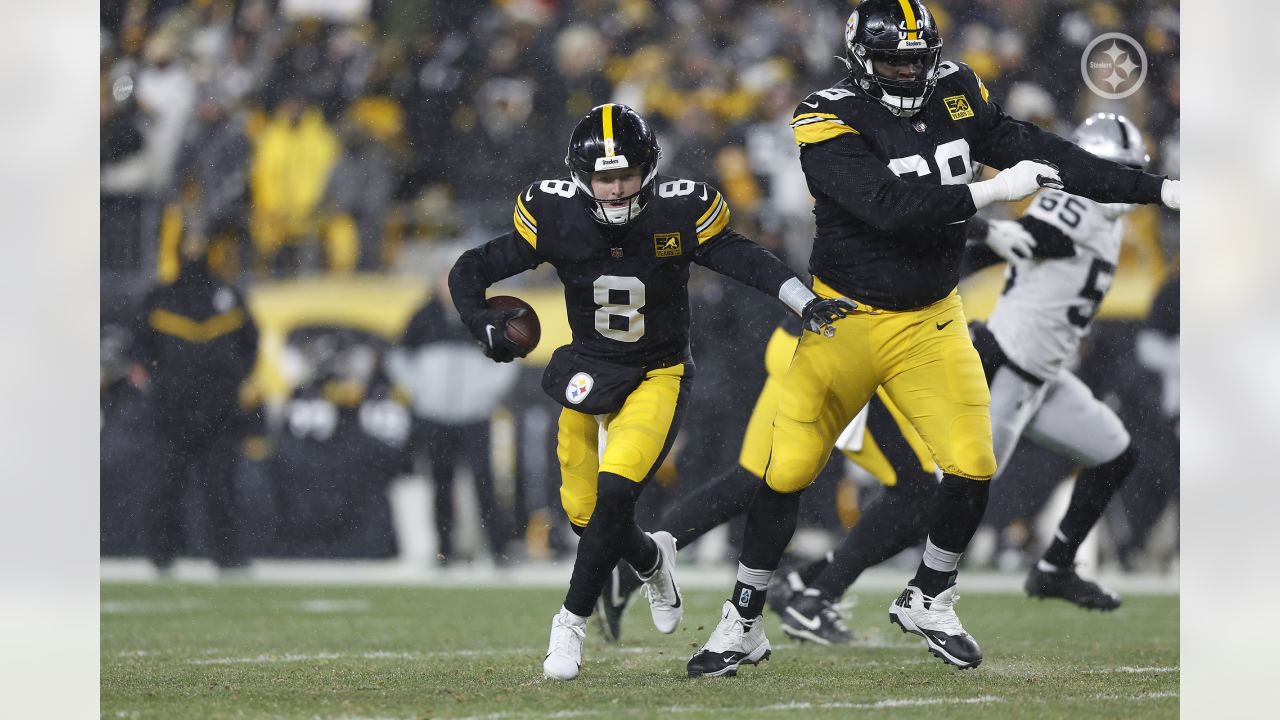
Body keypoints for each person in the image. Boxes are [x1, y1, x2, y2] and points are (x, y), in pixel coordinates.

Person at [687, 0, 1181, 676]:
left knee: (972, 465)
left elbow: (1046, 152)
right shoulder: (825, 114)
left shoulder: (956, 90)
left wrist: (1161, 190)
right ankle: (742, 619)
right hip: (846, 318)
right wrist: (992, 194)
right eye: (891, 59)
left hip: (931, 320)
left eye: (915, 60)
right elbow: (888, 211)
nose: (904, 71)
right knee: (789, 470)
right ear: (861, 57)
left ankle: (931, 595)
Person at [449, 104, 854, 681]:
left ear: (650, 170)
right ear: (578, 177)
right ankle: (652, 558)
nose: (614, 191)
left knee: (616, 496)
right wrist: (477, 321)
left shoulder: (678, 210)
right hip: (589, 370)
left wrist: (803, 298)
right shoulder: (556, 215)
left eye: (625, 175)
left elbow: (743, 258)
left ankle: (569, 624)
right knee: (588, 518)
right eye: (602, 178)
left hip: (656, 373)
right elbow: (471, 266)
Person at [769, 114, 1174, 644]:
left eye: (1128, 170)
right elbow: (1035, 233)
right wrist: (990, 231)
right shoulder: (1073, 202)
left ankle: (1055, 568)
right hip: (1005, 366)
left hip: (1045, 377)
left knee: (1116, 453)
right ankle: (816, 590)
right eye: (1111, 169)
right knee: (937, 504)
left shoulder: (1109, 218)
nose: (1119, 180)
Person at [595, 315, 940, 646]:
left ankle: (627, 573)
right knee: (918, 492)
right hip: (838, 354)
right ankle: (814, 598)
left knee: (750, 481)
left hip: (797, 342)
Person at [132, 237, 259, 574]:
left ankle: (227, 556)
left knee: (221, 487)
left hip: (219, 412)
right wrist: (165, 388)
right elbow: (142, 351)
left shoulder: (229, 297)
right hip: (172, 413)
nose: (192, 255)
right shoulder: (160, 299)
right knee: (165, 486)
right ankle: (163, 556)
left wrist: (230, 384)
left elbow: (251, 347)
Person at [387, 257, 521, 566]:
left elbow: (511, 355)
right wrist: (420, 392)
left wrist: (486, 393)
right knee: (441, 484)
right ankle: (444, 550)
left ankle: (498, 549)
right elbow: (398, 358)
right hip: (435, 417)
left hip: (475, 415)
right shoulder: (422, 317)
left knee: (484, 483)